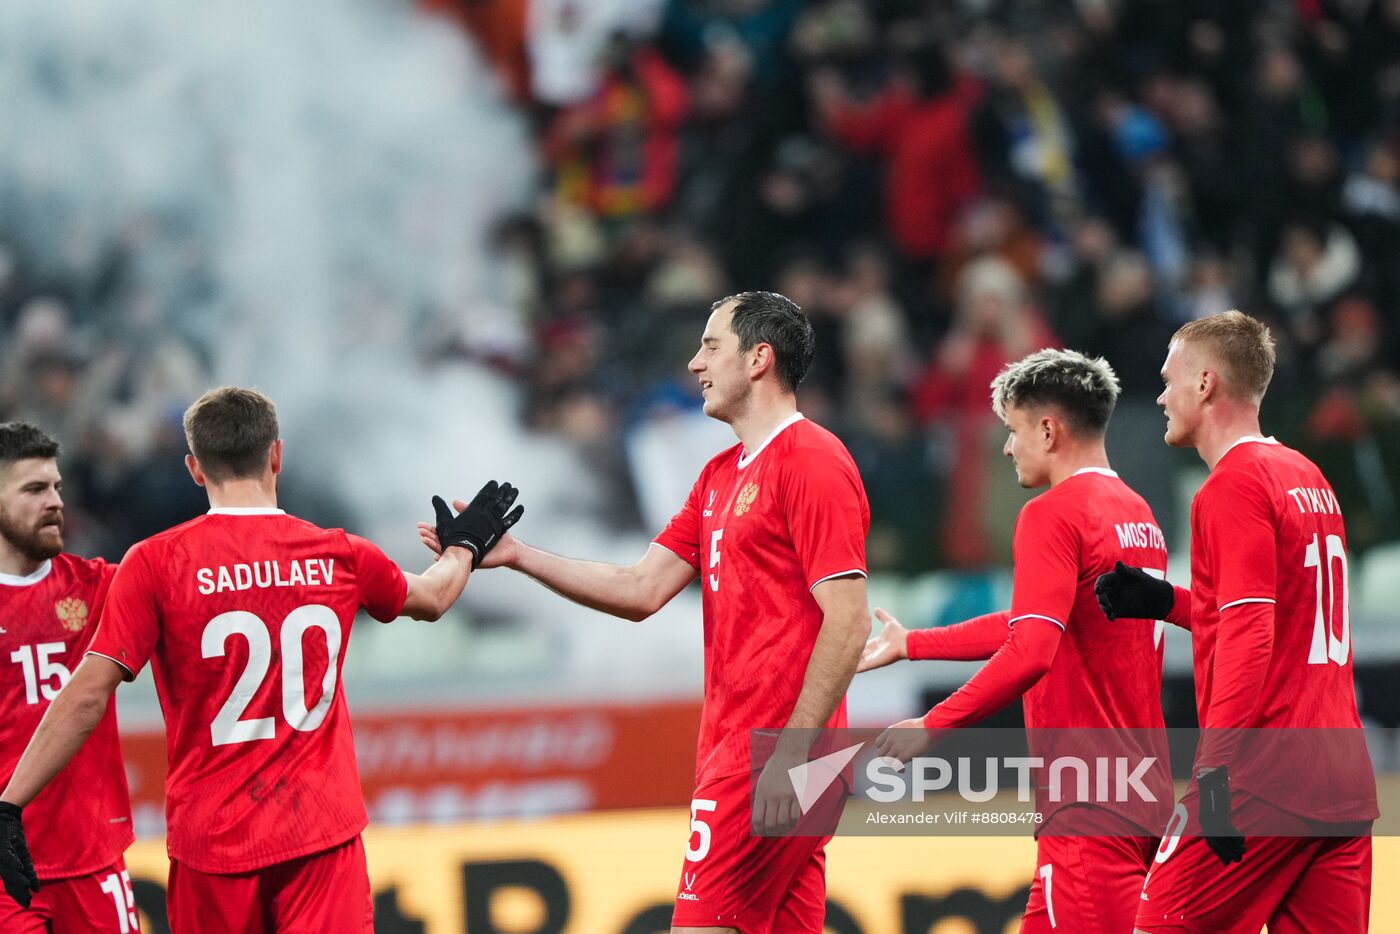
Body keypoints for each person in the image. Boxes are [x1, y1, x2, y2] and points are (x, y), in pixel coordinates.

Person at [423, 291, 870, 934]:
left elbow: (848, 620)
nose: (695, 364)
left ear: (758, 360)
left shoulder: (812, 461)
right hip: (766, 754)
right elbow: (640, 588)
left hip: (769, 755)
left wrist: (791, 752)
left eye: (711, 346)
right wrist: (518, 555)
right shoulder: (720, 474)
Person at [0, 387, 523, 933]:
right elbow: (434, 597)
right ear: (277, 455)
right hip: (320, 835)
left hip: (211, 847)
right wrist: (466, 544)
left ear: (194, 469)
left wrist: (9, 805)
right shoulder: (338, 553)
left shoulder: (155, 564)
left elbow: (87, 694)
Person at [859, 348, 1172, 933]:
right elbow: (1037, 622)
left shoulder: (1051, 514)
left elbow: (1031, 651)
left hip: (1088, 809)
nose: (1006, 447)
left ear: (1048, 429)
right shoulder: (1136, 512)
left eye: (1012, 429)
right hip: (1137, 796)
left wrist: (934, 725)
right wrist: (914, 643)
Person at [1094, 311, 1377, 933]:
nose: (1162, 395)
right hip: (1342, 780)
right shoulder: (1307, 476)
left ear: (1205, 385)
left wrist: (1215, 775)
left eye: (1170, 379)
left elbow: (1251, 634)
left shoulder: (1232, 486)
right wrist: (1167, 600)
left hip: (1263, 777)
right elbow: (1288, 619)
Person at [0, 422, 136, 932]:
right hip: (4, 868)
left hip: (93, 862)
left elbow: (200, 588)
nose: (54, 501)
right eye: (34, 489)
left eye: (56, 487)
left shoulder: (102, 586)